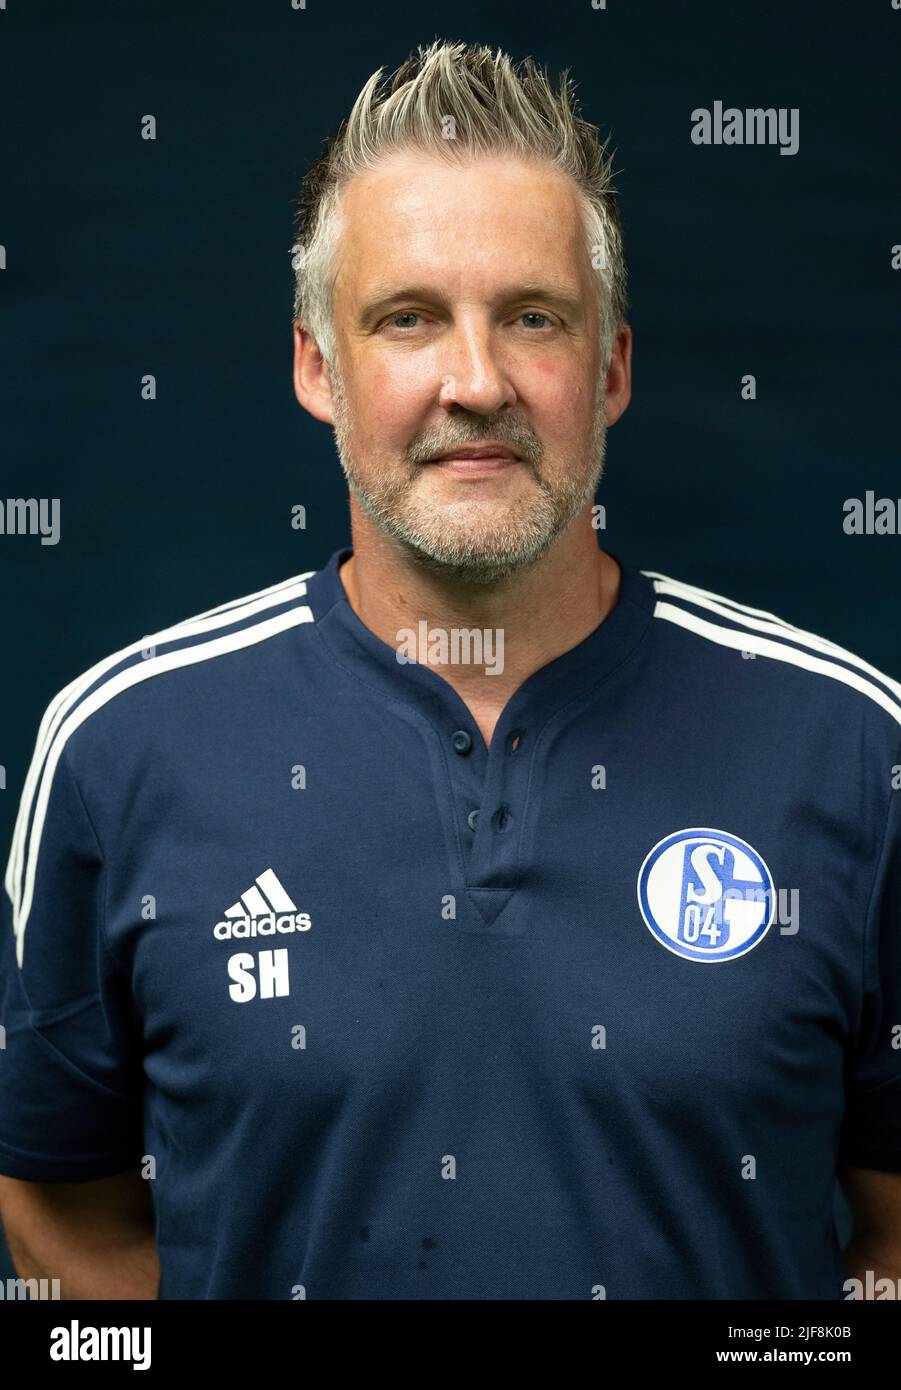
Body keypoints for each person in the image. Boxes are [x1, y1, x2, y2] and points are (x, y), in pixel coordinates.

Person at [1, 40, 900, 1301]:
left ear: (611, 369)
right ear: (320, 367)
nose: (474, 384)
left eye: (533, 318)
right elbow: (54, 1200)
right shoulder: (119, 747)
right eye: (408, 319)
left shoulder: (854, 749)